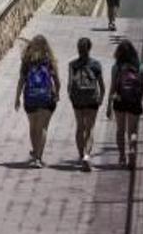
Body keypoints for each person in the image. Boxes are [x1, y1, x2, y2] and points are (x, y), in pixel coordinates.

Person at [14, 35, 61, 168]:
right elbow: (57, 80)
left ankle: (35, 153)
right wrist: (57, 93)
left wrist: (17, 98)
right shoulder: (49, 60)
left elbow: (21, 81)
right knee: (43, 127)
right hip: (46, 98)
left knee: (33, 127)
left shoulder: (27, 61)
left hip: (30, 98)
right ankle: (39, 158)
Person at [107, 39, 143, 170]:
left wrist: (108, 105)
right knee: (132, 130)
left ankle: (122, 157)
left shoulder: (116, 67)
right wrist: (139, 97)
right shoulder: (140, 65)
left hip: (119, 100)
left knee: (120, 130)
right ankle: (132, 149)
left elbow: (112, 87)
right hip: (134, 101)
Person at [68, 37, 105, 172]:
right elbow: (101, 85)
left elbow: (70, 85)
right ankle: (87, 155)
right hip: (91, 100)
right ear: (89, 48)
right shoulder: (96, 64)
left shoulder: (72, 65)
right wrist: (101, 98)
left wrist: (72, 98)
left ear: (78, 49)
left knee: (80, 127)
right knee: (89, 129)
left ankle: (80, 154)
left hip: (78, 100)